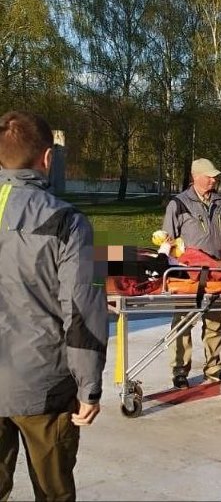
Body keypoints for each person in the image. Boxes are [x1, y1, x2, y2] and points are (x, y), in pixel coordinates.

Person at [0, 110, 108, 501]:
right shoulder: (69, 222)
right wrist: (89, 386)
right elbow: (84, 308)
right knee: (53, 493)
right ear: (47, 157)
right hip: (44, 388)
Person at [162, 157, 221, 389]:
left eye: (215, 177)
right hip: (188, 273)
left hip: (218, 272)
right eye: (209, 176)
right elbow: (167, 240)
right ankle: (180, 370)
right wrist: (173, 269)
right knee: (183, 322)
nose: (214, 180)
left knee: (214, 323)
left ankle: (213, 367)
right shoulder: (178, 204)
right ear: (196, 177)